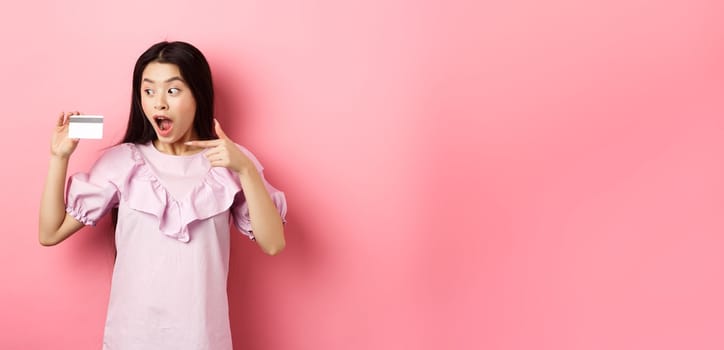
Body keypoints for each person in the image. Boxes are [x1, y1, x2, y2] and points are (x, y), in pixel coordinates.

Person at [38, 41, 287, 349]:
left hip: (202, 338)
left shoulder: (232, 161)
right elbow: (50, 233)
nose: (159, 103)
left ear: (198, 93)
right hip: (132, 337)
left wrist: (246, 170)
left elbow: (274, 243)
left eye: (173, 90)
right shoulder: (121, 162)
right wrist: (58, 157)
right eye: (149, 90)